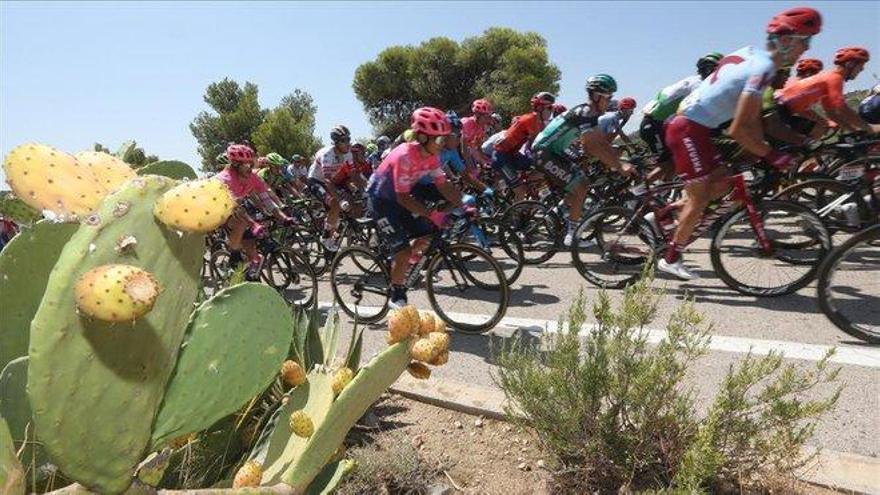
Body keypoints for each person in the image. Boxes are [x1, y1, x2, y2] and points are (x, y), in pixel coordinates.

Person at [659, 7, 822, 280]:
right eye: (804, 40)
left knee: (723, 181)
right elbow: (738, 129)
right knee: (699, 199)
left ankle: (665, 213)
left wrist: (760, 146)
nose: (805, 48)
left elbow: (751, 115)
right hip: (688, 128)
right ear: (784, 40)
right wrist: (772, 155)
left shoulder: (750, 52)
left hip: (696, 127)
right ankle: (671, 258)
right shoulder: (765, 68)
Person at [367, 107, 466, 307]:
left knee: (428, 234)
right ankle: (396, 294)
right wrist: (432, 214)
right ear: (421, 137)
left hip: (398, 198)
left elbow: (443, 184)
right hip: (381, 201)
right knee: (403, 251)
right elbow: (404, 198)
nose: (442, 144)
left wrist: (463, 202)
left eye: (443, 139)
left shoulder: (431, 155)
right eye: (438, 140)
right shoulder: (404, 155)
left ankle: (401, 266)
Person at [532, 74, 636, 247]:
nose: (610, 101)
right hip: (544, 152)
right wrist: (618, 166)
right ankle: (572, 235)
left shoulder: (591, 114)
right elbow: (591, 146)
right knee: (581, 186)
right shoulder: (586, 112)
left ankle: (559, 211)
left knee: (583, 181)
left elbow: (601, 141)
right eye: (608, 96)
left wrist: (617, 160)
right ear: (596, 96)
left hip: (556, 151)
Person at [639, 52, 723, 181]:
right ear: (710, 69)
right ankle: (638, 192)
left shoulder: (693, 80)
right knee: (666, 164)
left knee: (674, 161)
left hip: (656, 123)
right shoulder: (699, 85)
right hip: (655, 124)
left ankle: (662, 191)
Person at [215, 144, 293, 280]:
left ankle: (250, 276)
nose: (251, 168)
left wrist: (283, 217)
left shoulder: (252, 177)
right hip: (220, 209)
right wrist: (253, 224)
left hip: (239, 207)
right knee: (241, 221)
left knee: (252, 250)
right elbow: (235, 208)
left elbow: (266, 199)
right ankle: (234, 253)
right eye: (247, 164)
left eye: (252, 163)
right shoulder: (226, 179)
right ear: (235, 164)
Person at [775, 46, 877, 136]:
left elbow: (831, 113)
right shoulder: (834, 78)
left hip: (782, 108)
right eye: (861, 66)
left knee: (816, 132)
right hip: (779, 108)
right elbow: (842, 109)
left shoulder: (829, 78)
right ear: (850, 64)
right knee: (815, 132)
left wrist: (852, 130)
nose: (862, 69)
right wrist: (868, 128)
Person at [492, 91, 557, 201]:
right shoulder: (530, 120)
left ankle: (528, 187)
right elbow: (538, 145)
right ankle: (514, 217)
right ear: (540, 108)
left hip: (512, 155)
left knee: (540, 168)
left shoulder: (538, 122)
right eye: (550, 108)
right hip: (501, 156)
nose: (552, 111)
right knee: (521, 191)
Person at [308, 125, 354, 251]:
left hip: (331, 181)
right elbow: (327, 181)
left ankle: (332, 230)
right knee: (335, 203)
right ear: (336, 142)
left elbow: (351, 175)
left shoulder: (348, 153)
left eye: (348, 139)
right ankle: (326, 236)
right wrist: (339, 200)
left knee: (346, 200)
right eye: (343, 140)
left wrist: (360, 189)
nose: (347, 143)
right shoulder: (327, 154)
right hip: (316, 181)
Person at [461, 99, 495, 169]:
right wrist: (477, 163)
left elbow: (477, 147)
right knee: (473, 171)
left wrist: (485, 159)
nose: (488, 120)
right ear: (477, 115)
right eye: (486, 117)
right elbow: (464, 149)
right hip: (458, 149)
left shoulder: (481, 127)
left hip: (468, 150)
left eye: (489, 117)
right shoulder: (467, 123)